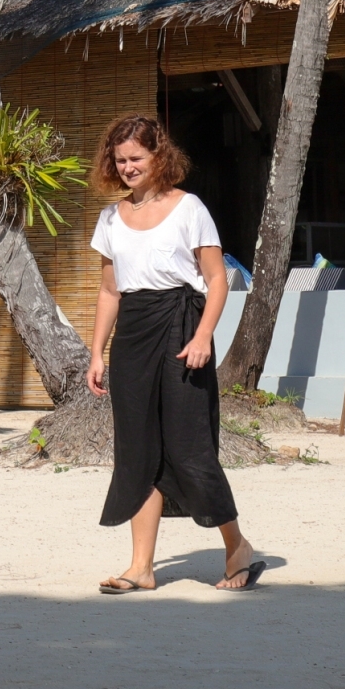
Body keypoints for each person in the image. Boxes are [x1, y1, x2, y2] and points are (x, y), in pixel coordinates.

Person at [85, 114, 266, 594]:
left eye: (136, 158)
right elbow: (109, 291)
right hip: (133, 335)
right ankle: (141, 567)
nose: (127, 167)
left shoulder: (190, 209)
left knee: (189, 446)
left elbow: (216, 279)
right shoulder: (110, 219)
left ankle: (237, 547)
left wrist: (205, 334)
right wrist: (97, 353)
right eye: (120, 160)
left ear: (158, 157)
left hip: (183, 325)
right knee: (136, 448)